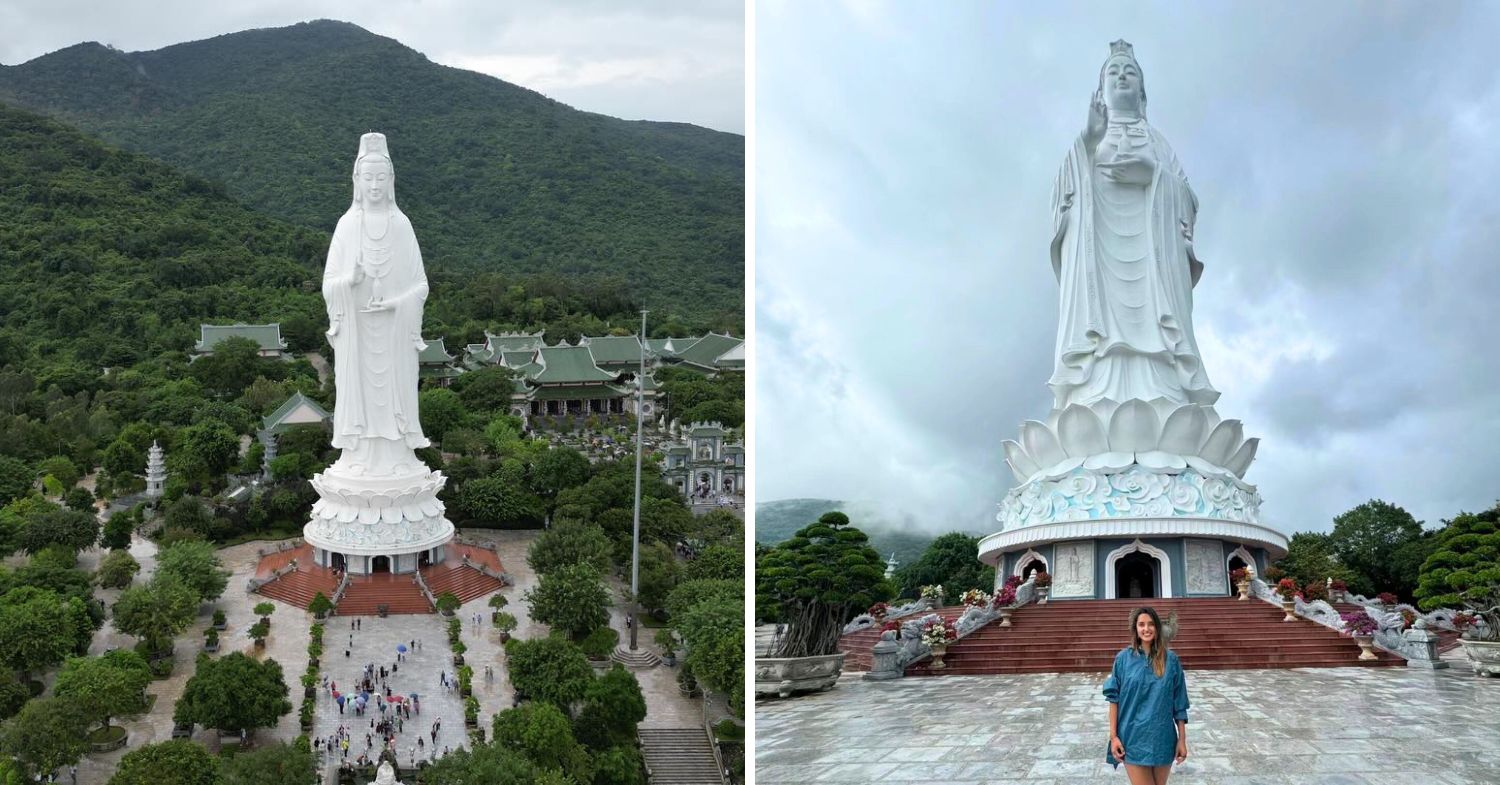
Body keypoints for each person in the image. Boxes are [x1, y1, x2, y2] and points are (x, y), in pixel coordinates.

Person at [1048, 40, 1217, 410]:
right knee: (1099, 361)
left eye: (1130, 72)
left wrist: (1154, 175)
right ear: (1101, 89)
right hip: (1100, 278)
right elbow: (1062, 201)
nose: (1122, 76)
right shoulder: (1086, 142)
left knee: (1161, 358)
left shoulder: (1159, 143)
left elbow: (1188, 200)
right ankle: (1093, 397)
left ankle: (1166, 395)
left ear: (1142, 91)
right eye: (1114, 71)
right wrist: (1086, 143)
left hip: (1153, 274)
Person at [1103, 606, 1189, 784]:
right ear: (1135, 628)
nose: (1146, 629)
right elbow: (1114, 700)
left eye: (1150, 624)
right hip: (1132, 737)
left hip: (1162, 738)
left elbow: (1179, 703)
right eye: (1141, 624)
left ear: (1157, 627)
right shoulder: (1123, 659)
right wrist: (1114, 737)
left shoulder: (1171, 660)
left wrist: (1182, 739)